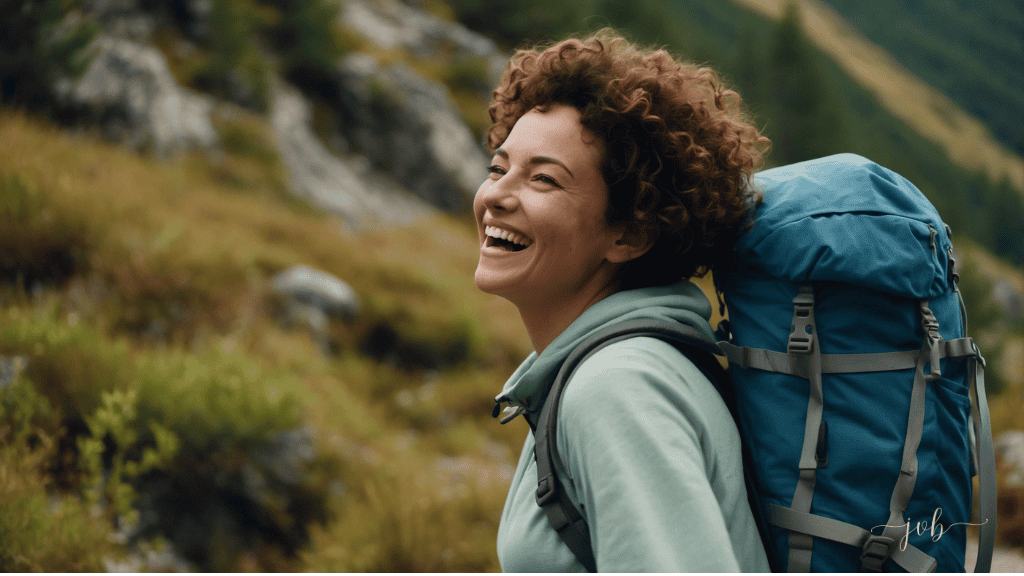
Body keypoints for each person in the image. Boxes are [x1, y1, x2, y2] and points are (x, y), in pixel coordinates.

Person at [474, 30, 772, 572]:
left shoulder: (615, 389)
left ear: (629, 234)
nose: (495, 194)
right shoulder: (610, 369)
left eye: (543, 179)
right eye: (498, 167)